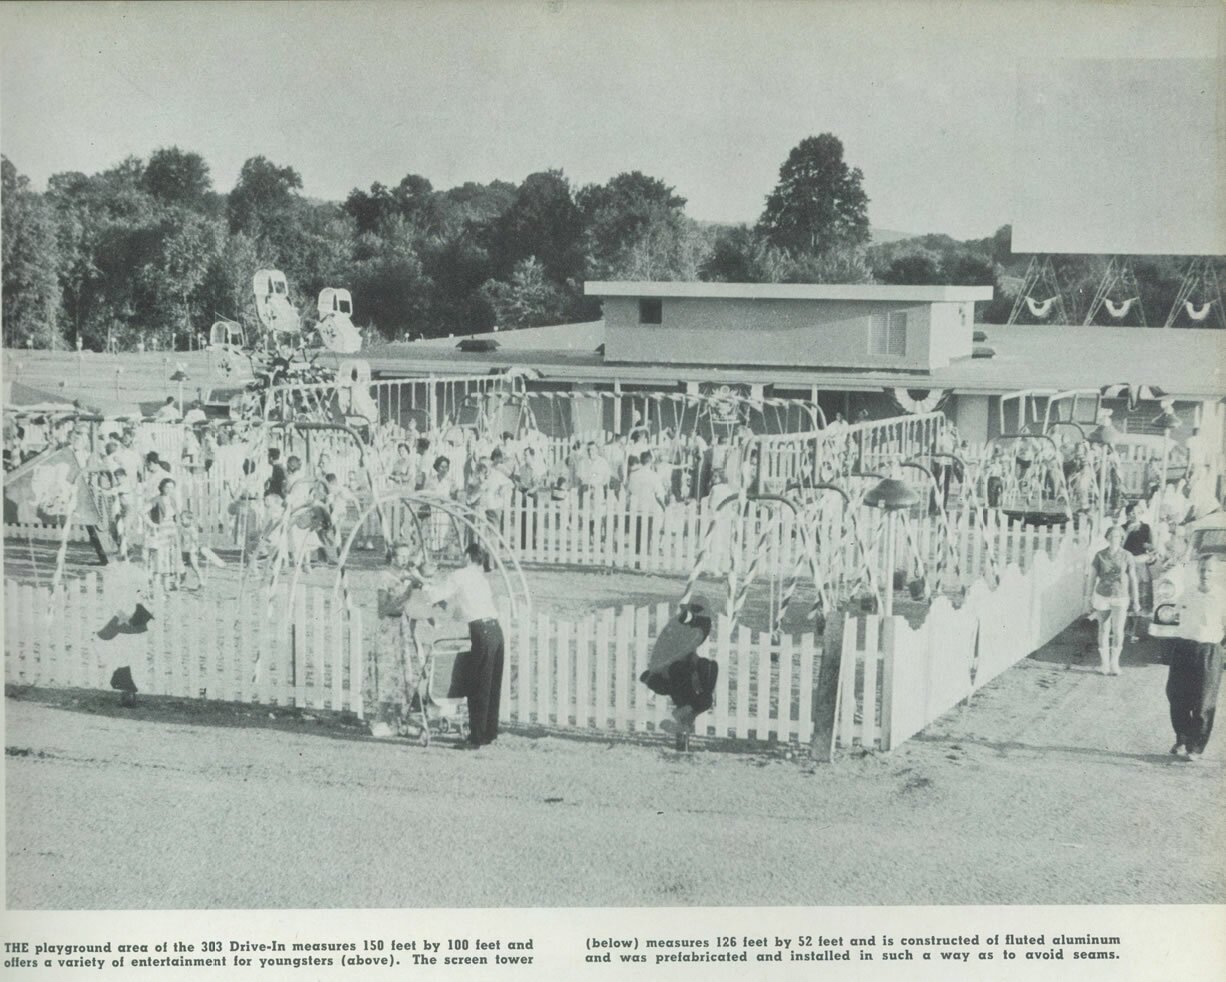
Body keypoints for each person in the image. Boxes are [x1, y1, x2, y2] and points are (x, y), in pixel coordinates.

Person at [427, 542, 504, 749]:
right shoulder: (481, 579)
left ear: (468, 557)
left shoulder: (459, 575)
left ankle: (475, 739)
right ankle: (489, 733)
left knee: (478, 685)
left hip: (482, 632)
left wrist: (425, 583)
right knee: (491, 685)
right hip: (496, 631)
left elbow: (435, 594)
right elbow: (461, 611)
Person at [1165, 556, 1225, 760]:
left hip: (1209, 651)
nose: (1205, 574)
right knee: (1176, 696)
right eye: (1202, 569)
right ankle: (1182, 738)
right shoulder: (1188, 593)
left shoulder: (1221, 596)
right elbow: (1174, 614)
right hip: (1184, 648)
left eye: (1209, 571)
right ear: (1197, 571)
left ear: (1215, 573)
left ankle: (1195, 747)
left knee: (1204, 702)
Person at [365, 543, 429, 738]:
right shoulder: (385, 577)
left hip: (402, 628)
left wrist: (418, 587)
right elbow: (382, 609)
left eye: (405, 556)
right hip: (387, 629)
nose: (403, 560)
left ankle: (397, 719)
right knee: (387, 674)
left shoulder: (407, 577)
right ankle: (380, 718)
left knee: (403, 674)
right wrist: (406, 594)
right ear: (392, 557)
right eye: (400, 556)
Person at [1087, 524, 1140, 676]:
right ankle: (1104, 664)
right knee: (1103, 629)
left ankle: (1114, 663)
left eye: (1117, 536)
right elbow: (1091, 577)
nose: (1114, 539)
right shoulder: (1099, 555)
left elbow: (1133, 578)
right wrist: (1088, 598)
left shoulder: (1127, 556)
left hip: (1120, 596)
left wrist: (1136, 600)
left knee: (1118, 630)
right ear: (1107, 538)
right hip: (1102, 595)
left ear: (1121, 538)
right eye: (1111, 536)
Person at [1122, 502, 1155, 640]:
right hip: (1126, 565)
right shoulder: (1122, 528)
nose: (1133, 515)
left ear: (1140, 513)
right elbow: (1118, 547)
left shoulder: (1146, 528)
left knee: (1139, 597)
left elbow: (1152, 548)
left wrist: (1149, 552)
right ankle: (1123, 629)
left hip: (1140, 565)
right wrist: (1127, 532)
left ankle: (1133, 631)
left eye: (1136, 512)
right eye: (1131, 512)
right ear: (1127, 514)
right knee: (1125, 596)